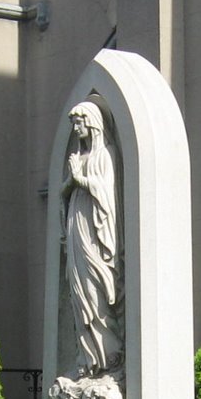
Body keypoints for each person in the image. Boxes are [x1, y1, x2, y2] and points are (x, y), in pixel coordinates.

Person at [61, 101, 121, 381]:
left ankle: (107, 358)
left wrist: (80, 179)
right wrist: (72, 181)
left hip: (95, 233)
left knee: (94, 289)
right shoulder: (77, 156)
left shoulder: (105, 155)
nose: (76, 128)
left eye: (79, 122)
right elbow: (64, 191)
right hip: (76, 227)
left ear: (93, 123)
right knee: (78, 293)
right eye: (73, 123)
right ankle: (86, 361)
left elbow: (106, 194)